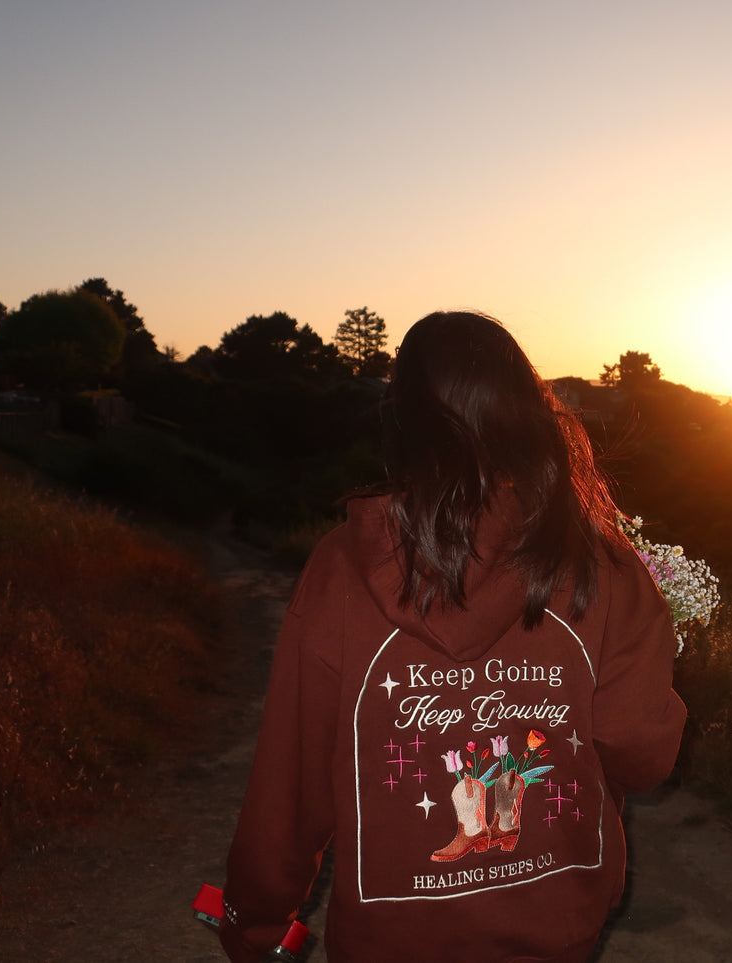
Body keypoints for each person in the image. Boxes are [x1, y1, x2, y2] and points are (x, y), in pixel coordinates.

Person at [218, 310, 686, 962]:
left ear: (402, 423)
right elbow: (643, 754)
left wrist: (254, 923)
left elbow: (291, 782)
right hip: (558, 925)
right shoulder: (602, 566)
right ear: (528, 413)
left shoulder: (340, 569)